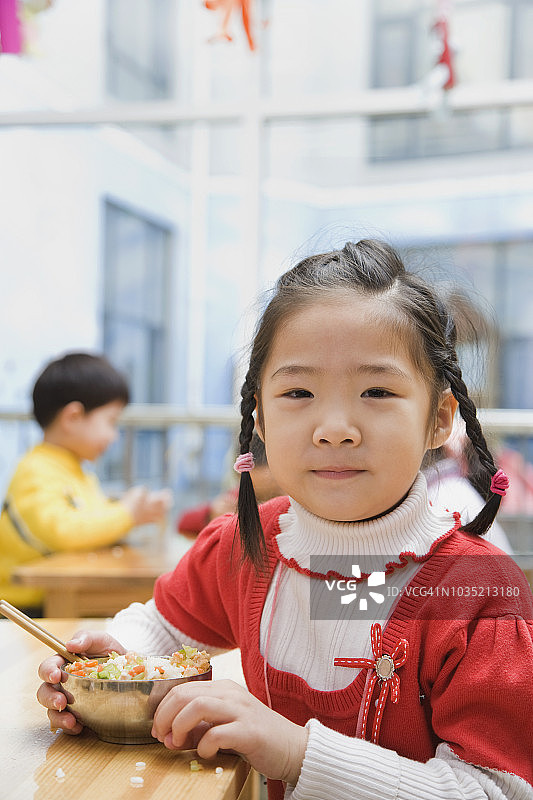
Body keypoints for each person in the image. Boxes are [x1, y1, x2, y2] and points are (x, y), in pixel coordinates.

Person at [37, 242, 533, 799]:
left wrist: (294, 751)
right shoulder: (248, 547)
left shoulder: (478, 600)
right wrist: (110, 665)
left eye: (377, 391)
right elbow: (163, 627)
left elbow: (495, 791)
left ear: (438, 420)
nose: (335, 428)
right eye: (298, 392)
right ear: (261, 418)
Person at [0, 352, 171, 612]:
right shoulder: (34, 471)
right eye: (111, 422)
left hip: (62, 597)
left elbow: (92, 523)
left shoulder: (77, 471)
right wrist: (127, 513)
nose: (114, 436)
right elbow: (65, 532)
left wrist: (136, 514)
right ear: (73, 417)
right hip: (24, 609)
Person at [176, 433, 282, 538]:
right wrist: (212, 514)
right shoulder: (242, 497)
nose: (267, 500)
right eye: (255, 488)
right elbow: (185, 523)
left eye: (272, 492)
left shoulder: (289, 500)